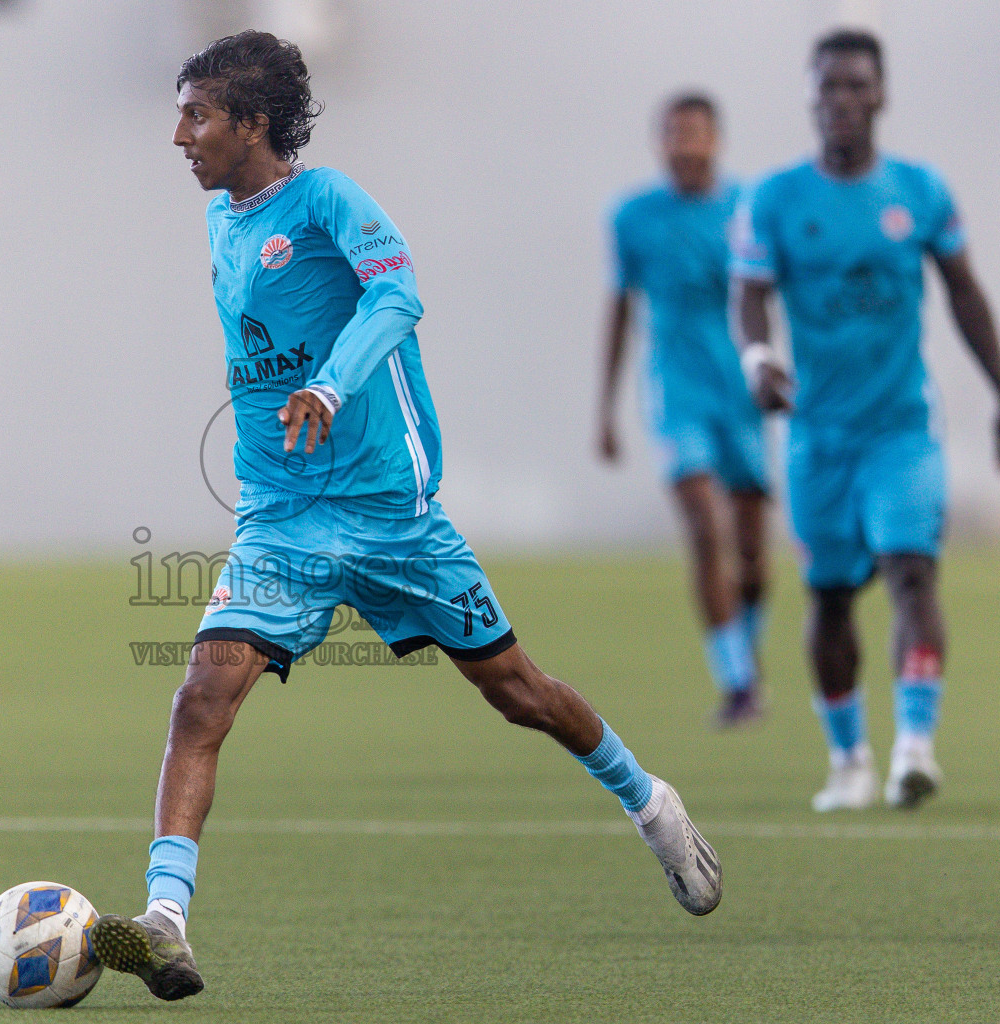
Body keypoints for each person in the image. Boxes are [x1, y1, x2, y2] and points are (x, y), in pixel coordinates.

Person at [87, 31, 722, 1002]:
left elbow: (397, 294)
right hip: (282, 519)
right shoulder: (221, 219)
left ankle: (650, 802)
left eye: (197, 116)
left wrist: (332, 384)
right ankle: (165, 921)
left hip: (392, 514)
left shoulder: (330, 200)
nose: (179, 136)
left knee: (519, 692)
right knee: (201, 698)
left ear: (252, 123)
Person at [732, 29, 1000, 812]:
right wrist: (757, 358)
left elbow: (964, 293)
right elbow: (750, 292)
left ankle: (914, 749)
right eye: (829, 86)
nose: (843, 100)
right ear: (810, 96)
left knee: (911, 571)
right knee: (829, 596)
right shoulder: (774, 198)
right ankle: (849, 760)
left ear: (881, 95)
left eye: (857, 85)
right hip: (818, 436)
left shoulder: (919, 191)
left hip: (902, 427)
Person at [598, 93, 769, 727]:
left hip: (741, 393)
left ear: (716, 140)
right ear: (660, 143)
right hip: (675, 393)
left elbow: (773, 295)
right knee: (703, 526)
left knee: (753, 555)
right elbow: (620, 309)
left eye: (695, 133)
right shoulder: (633, 217)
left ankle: (745, 655)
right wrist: (605, 409)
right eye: (673, 134)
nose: (685, 146)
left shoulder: (750, 208)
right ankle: (737, 682)